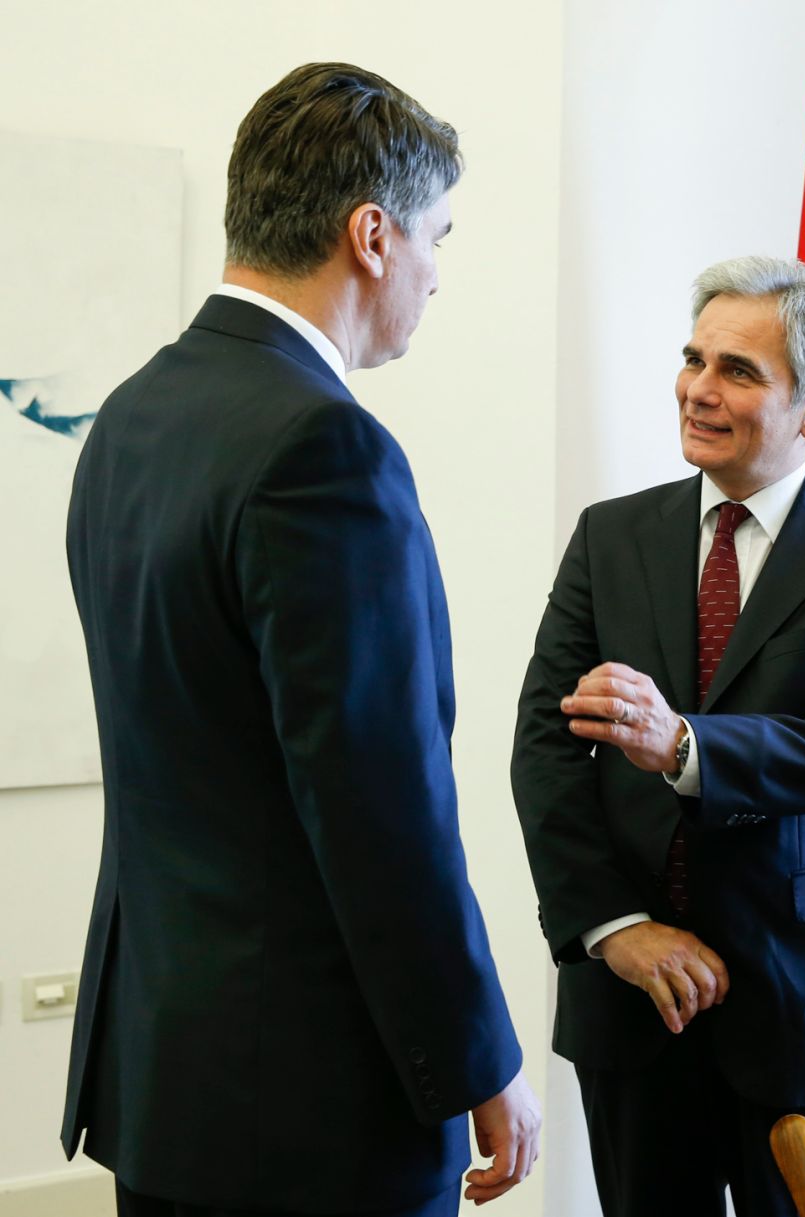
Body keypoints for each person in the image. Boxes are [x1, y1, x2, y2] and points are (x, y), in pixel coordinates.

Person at [61, 63, 540, 1217]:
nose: (435, 273)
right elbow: (381, 808)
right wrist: (480, 1055)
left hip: (167, 1077)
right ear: (370, 234)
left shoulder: (133, 415)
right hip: (309, 1108)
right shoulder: (324, 450)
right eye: (437, 237)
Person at [510, 255, 805, 1217]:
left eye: (738, 371)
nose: (698, 390)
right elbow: (545, 750)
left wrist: (682, 748)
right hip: (633, 1003)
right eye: (694, 358)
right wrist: (614, 929)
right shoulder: (609, 536)